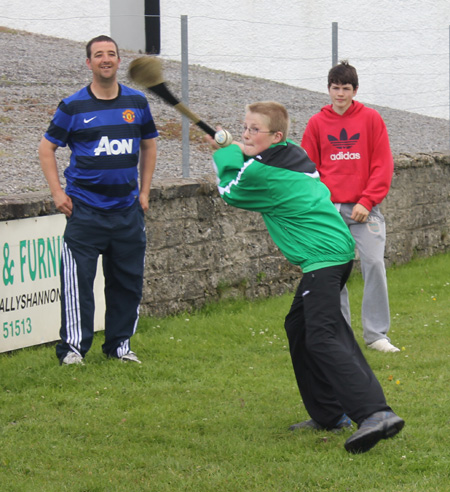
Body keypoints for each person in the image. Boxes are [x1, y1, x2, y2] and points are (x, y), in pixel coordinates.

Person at [206, 101, 404, 454]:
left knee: (322, 337)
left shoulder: (262, 174)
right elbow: (255, 161)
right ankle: (329, 414)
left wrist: (223, 155)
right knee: (299, 327)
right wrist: (239, 149)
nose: (247, 133)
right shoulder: (291, 155)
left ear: (276, 136)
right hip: (332, 254)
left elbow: (230, 191)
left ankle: (375, 413)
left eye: (255, 130)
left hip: (323, 259)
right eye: (245, 127)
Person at [38, 35, 158, 365]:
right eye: (98, 55)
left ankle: (120, 346)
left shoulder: (137, 104)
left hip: (127, 212)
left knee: (127, 283)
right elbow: (47, 148)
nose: (106, 59)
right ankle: (74, 350)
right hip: (85, 212)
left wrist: (145, 192)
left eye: (112, 54)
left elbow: (148, 145)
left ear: (119, 61)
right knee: (79, 286)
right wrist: (57, 193)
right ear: (88, 63)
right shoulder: (73, 106)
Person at [301, 61, 399, 353]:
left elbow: (383, 165)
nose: (340, 93)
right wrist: (322, 206)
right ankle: (340, 334)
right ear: (329, 89)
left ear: (355, 90)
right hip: (329, 212)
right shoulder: (317, 124)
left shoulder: (371, 120)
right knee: (335, 272)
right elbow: (309, 170)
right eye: (335, 88)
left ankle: (377, 334)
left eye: (346, 88)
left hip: (364, 210)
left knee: (374, 264)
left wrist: (367, 201)